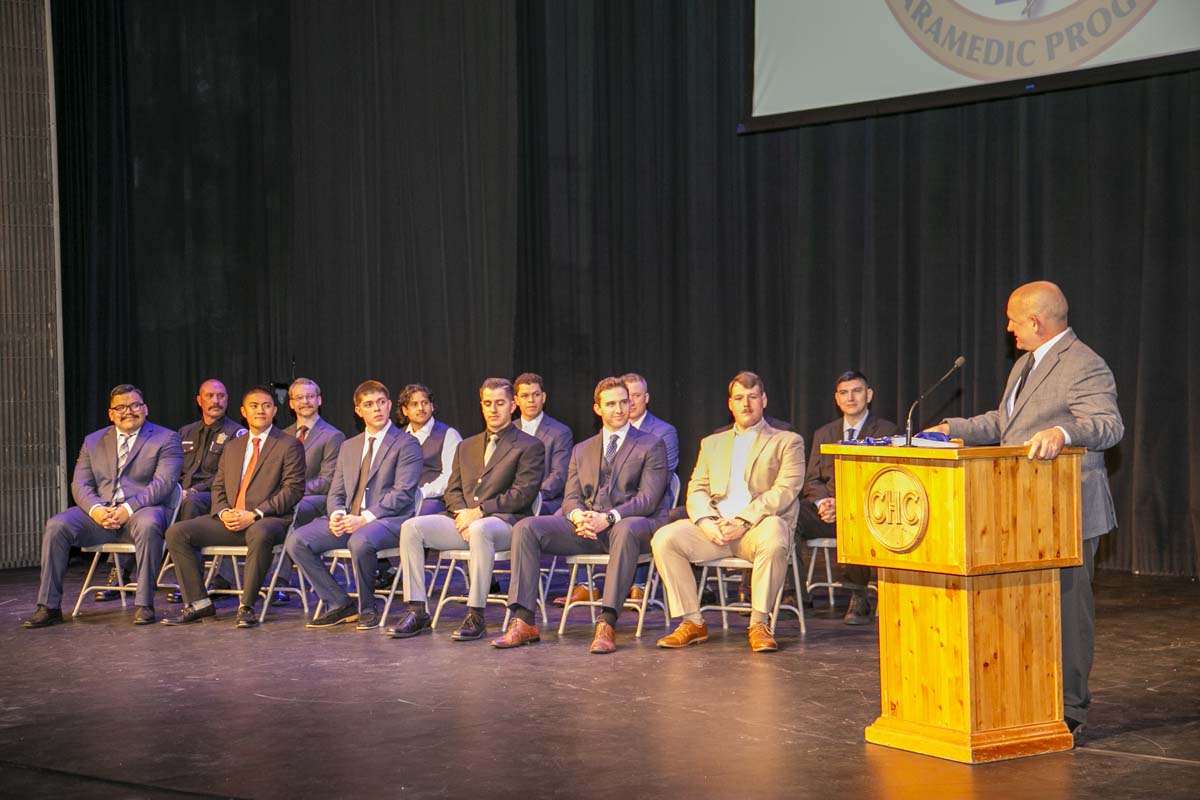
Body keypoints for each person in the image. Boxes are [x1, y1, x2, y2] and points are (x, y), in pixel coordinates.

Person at [928, 280, 1123, 736]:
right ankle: (1033, 697)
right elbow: (1006, 423)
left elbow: (1108, 425)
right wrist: (950, 427)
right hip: (1022, 511)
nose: (1008, 328)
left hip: (1067, 509)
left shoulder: (1084, 364)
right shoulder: (1023, 365)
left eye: (1014, 320)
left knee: (1069, 614)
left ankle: (1071, 710)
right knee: (1026, 611)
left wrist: (1064, 433)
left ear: (1035, 321)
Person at [493, 377, 669, 654]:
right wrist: (577, 517)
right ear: (597, 409)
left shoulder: (651, 445)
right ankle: (524, 620)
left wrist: (608, 518)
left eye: (624, 402)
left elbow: (648, 499)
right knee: (527, 528)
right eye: (611, 404)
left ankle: (607, 622)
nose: (620, 409)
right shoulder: (582, 449)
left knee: (624, 529)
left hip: (631, 527)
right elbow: (571, 497)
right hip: (589, 529)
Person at [651, 371, 805, 653]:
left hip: (757, 529)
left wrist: (745, 521)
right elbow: (696, 489)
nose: (746, 404)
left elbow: (785, 490)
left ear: (764, 400)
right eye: (739, 398)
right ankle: (692, 621)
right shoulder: (712, 443)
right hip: (716, 531)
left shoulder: (787, 441)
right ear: (730, 404)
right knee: (664, 538)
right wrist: (706, 522)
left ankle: (759, 622)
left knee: (774, 531)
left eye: (752, 397)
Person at [387, 378, 544, 641]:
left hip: (506, 523)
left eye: (500, 403)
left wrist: (480, 511)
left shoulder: (529, 446)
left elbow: (523, 494)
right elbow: (453, 489)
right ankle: (417, 610)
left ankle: (476, 614)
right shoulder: (467, 445)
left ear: (513, 405)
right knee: (411, 527)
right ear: (481, 406)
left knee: (481, 529)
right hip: (465, 520)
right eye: (487, 403)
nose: (493, 409)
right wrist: (462, 512)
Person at [23, 384, 183, 628]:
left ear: (145, 409)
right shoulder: (93, 441)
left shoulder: (167, 438)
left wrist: (126, 509)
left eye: (135, 405)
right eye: (120, 407)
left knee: (149, 523)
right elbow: (80, 484)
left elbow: (163, 484)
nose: (128, 411)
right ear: (111, 413)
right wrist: (97, 510)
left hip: (141, 512)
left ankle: (144, 603)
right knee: (57, 525)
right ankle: (49, 606)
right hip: (100, 515)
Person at [161, 386, 305, 627]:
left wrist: (255, 514)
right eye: (254, 406)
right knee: (177, 532)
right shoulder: (233, 446)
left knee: (259, 532)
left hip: (268, 521)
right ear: (243, 412)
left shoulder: (288, 445)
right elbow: (218, 487)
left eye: (266, 406)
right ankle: (199, 604)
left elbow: (293, 490)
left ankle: (246, 606)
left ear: (275, 411)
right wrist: (224, 511)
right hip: (230, 520)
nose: (261, 410)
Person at [285, 380, 423, 630]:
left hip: (390, 521)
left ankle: (367, 608)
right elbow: (336, 491)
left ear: (390, 404)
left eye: (381, 403)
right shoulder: (349, 446)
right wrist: (337, 514)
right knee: (297, 540)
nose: (377, 409)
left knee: (360, 540)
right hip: (352, 520)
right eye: (369, 405)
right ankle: (338, 603)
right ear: (359, 411)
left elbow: (402, 494)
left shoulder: (406, 443)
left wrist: (365, 518)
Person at [799, 370, 898, 624]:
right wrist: (824, 504)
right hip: (828, 513)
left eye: (857, 391)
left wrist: (844, 506)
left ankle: (859, 597)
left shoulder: (886, 430)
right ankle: (795, 594)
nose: (850, 397)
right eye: (844, 392)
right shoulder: (824, 434)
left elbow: (888, 481)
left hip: (866, 514)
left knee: (853, 517)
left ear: (869, 395)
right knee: (790, 512)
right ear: (837, 399)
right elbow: (811, 481)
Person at [284, 377, 346, 527]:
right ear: (292, 404)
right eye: (299, 398)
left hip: (315, 500)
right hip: (284, 497)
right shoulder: (282, 435)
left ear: (319, 400)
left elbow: (327, 481)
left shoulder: (333, 436)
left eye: (310, 397)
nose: (305, 401)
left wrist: (291, 493)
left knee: (290, 509)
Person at [396, 383, 462, 517]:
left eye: (425, 403)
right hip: (402, 500)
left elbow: (450, 478)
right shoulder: (398, 437)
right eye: (414, 404)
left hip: (434, 501)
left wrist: (422, 493)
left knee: (411, 519)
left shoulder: (448, 434)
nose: (421, 408)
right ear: (405, 410)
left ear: (432, 406)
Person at [513, 372, 573, 515]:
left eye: (536, 395)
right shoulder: (508, 431)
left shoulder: (560, 432)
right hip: (512, 501)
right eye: (525, 396)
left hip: (545, 501)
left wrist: (530, 496)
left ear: (543, 397)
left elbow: (559, 475)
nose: (531, 400)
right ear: (516, 400)